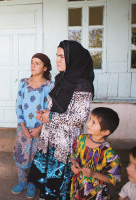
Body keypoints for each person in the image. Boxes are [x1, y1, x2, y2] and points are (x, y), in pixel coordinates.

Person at [28, 40, 95, 199]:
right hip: (49, 139)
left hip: (65, 144)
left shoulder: (83, 85)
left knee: (60, 185)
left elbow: (80, 117)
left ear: (73, 58)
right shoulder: (60, 79)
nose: (57, 60)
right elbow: (55, 107)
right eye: (57, 55)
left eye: (62, 56)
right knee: (47, 182)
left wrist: (50, 116)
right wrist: (45, 113)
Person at [12, 53, 54, 199]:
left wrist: (39, 128)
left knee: (37, 158)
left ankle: (32, 184)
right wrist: (22, 126)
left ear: (45, 67)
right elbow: (18, 106)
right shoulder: (23, 83)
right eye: (32, 62)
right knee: (21, 155)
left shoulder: (50, 86)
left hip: (40, 130)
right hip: (23, 128)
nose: (33, 66)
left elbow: (50, 109)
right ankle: (22, 181)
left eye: (37, 63)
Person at [70, 107, 122, 200]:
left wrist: (94, 174)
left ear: (105, 132)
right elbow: (73, 157)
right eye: (90, 119)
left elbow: (114, 179)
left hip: (97, 194)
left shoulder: (109, 154)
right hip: (77, 188)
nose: (88, 123)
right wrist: (74, 165)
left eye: (94, 122)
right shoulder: (80, 140)